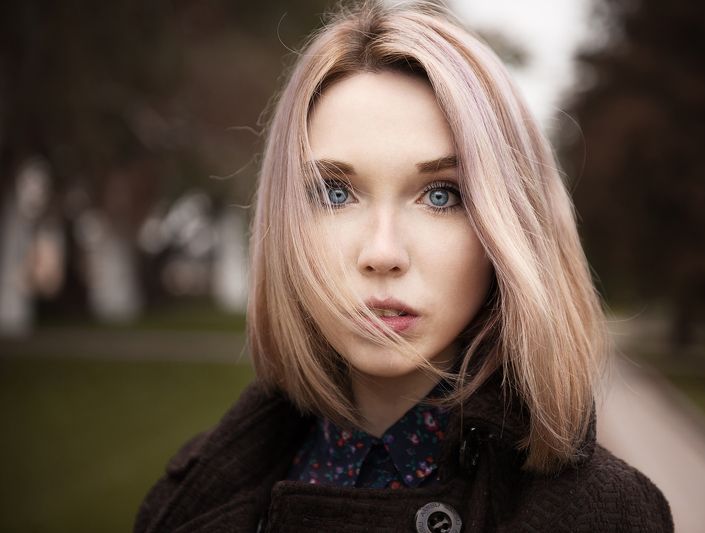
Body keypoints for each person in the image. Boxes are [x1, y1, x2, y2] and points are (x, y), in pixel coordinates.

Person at [135, 1, 673, 532]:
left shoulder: (605, 515)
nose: (382, 253)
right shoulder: (190, 496)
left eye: (440, 195)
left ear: (510, 227)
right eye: (334, 192)